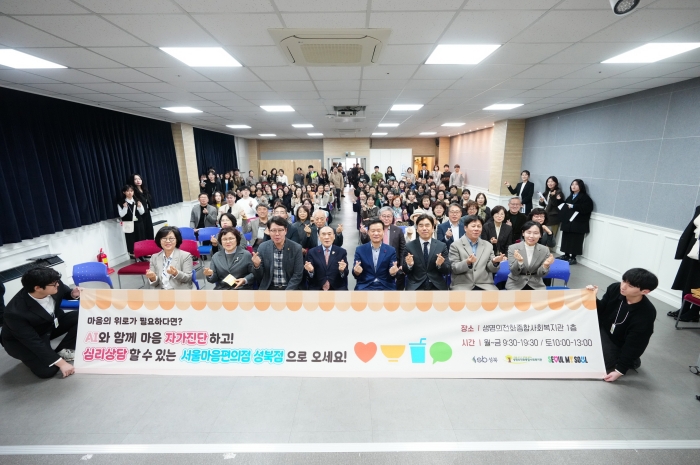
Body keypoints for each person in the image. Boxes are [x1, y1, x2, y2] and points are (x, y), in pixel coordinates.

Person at [2, 267, 80, 378]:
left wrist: (73, 294)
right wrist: (61, 363)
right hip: (21, 341)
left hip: (48, 325)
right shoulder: (14, 313)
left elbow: (65, 293)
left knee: (79, 317)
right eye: (54, 284)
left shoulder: (53, 284)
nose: (58, 284)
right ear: (37, 288)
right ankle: (36, 357)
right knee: (48, 371)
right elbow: (32, 341)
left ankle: (62, 351)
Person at [586, 268, 658, 382]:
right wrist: (592, 297)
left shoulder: (646, 313)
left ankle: (631, 360)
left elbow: (636, 343)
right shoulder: (615, 288)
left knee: (596, 361)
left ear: (645, 291)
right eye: (623, 281)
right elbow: (601, 310)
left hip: (619, 343)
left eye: (630, 286)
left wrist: (620, 371)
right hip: (604, 329)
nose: (623, 286)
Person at [450, 215, 506, 291]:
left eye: (479, 226)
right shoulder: (455, 245)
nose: (476, 229)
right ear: (465, 228)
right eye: (473, 226)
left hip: (485, 285)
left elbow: (492, 269)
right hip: (463, 285)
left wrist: (494, 262)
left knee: (496, 296)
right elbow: (454, 268)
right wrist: (467, 262)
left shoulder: (488, 245)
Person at [252, 216, 304, 290]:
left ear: (285, 231)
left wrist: (287, 293)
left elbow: (298, 275)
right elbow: (260, 277)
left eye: (280, 230)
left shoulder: (296, 248)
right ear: (269, 231)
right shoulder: (263, 247)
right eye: (273, 230)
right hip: (269, 289)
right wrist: (257, 266)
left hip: (290, 289)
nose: (277, 234)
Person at [403, 214, 451, 290]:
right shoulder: (409, 246)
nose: (424, 228)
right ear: (417, 229)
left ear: (433, 228)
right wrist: (409, 265)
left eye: (427, 225)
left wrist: (440, 265)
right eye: (421, 226)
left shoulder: (441, 246)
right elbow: (405, 270)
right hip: (416, 286)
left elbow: (447, 270)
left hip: (436, 286)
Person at [669, 204, 700, 322]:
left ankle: (694, 312)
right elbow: (692, 228)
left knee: (698, 282)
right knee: (687, 278)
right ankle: (684, 308)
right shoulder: (699, 208)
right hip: (693, 247)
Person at [505, 221, 555, 290]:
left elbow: (541, 274)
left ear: (540, 235)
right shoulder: (513, 248)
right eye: (528, 232)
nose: (531, 236)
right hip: (515, 284)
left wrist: (545, 265)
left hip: (536, 285)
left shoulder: (545, 250)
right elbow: (514, 272)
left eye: (536, 233)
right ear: (523, 233)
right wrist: (519, 262)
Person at [353, 218, 400, 290]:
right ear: (368, 232)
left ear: (383, 232)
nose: (376, 233)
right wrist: (357, 271)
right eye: (373, 231)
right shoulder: (360, 250)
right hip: (365, 285)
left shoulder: (391, 250)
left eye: (378, 231)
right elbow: (355, 273)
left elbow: (393, 272)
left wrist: (393, 272)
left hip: (385, 285)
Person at [559, 179, 593, 265]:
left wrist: (574, 206)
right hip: (568, 221)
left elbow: (587, 208)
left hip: (578, 223)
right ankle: (566, 255)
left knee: (576, 240)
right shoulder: (570, 196)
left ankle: (573, 257)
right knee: (566, 238)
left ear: (580, 186)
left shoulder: (585, 197)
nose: (573, 186)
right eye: (572, 184)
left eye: (576, 184)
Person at [304, 226, 349, 291]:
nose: (326, 237)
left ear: (334, 236)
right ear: (319, 237)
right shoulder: (312, 252)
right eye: (323, 234)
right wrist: (311, 271)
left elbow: (346, 273)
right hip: (317, 288)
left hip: (337, 288)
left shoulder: (341, 252)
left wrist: (342, 270)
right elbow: (307, 275)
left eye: (329, 234)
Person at [118, 184, 145, 257]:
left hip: (138, 222)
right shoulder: (121, 203)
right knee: (131, 238)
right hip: (128, 223)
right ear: (124, 192)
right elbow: (121, 215)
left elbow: (142, 212)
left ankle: (142, 252)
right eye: (127, 191)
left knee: (140, 237)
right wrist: (125, 208)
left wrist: (139, 206)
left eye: (131, 191)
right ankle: (133, 254)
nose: (130, 193)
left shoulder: (137, 201)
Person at [129, 173, 154, 240]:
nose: (138, 180)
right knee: (142, 232)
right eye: (135, 179)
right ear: (132, 181)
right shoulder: (133, 191)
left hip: (147, 212)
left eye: (139, 179)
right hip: (139, 214)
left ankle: (151, 244)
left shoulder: (144, 189)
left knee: (149, 230)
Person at [538, 176, 564, 240]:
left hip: (553, 218)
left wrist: (552, 196)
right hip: (545, 216)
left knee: (550, 237)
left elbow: (555, 204)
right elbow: (544, 204)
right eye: (548, 182)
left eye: (552, 181)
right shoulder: (547, 192)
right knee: (542, 236)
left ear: (556, 183)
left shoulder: (558, 192)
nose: (550, 183)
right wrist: (541, 201)